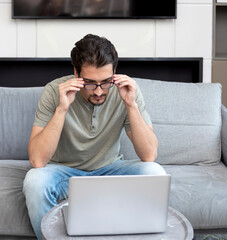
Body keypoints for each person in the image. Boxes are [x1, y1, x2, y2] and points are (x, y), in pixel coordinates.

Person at [23, 34, 166, 240]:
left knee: (155, 173)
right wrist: (62, 109)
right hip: (64, 174)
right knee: (34, 182)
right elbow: (37, 160)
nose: (99, 92)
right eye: (90, 83)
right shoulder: (54, 92)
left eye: (105, 82)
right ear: (75, 74)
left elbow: (149, 154)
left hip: (110, 170)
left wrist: (131, 105)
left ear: (114, 73)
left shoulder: (126, 92)